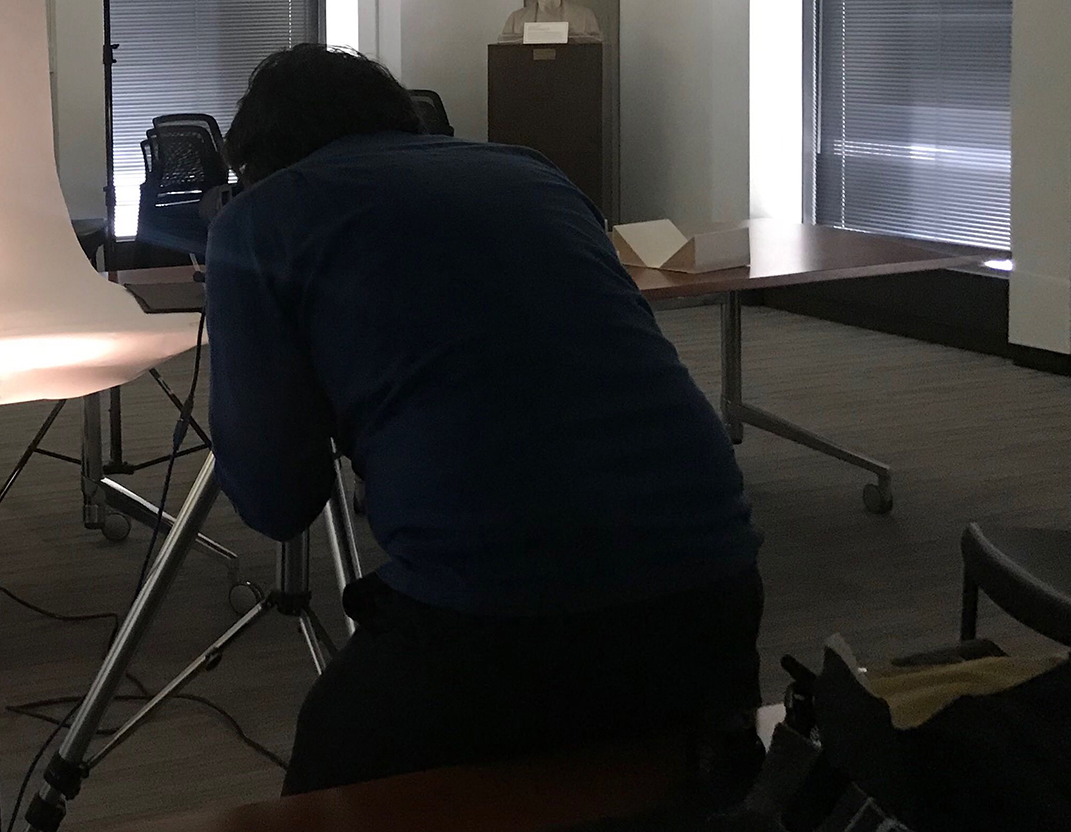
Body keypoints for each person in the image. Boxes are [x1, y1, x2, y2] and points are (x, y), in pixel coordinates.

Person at [204, 45, 765, 800]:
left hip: (497, 628)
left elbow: (276, 501)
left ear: (258, 161)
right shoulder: (533, 172)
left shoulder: (258, 220)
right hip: (715, 596)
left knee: (330, 772)